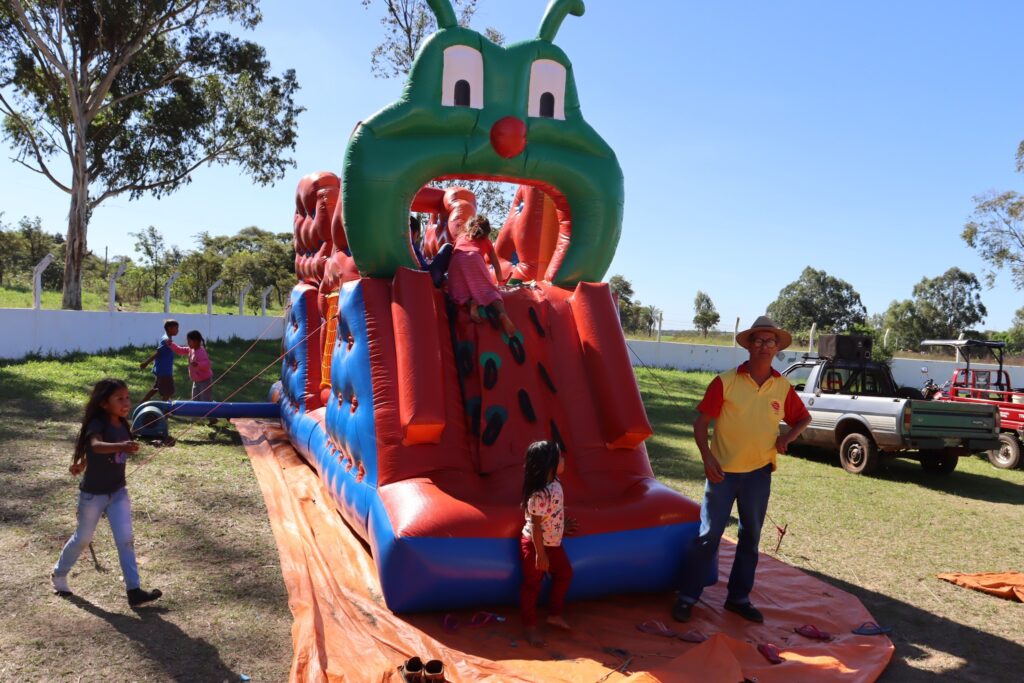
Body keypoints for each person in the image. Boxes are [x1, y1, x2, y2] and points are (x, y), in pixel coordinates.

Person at [673, 316, 811, 624]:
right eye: (758, 341)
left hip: (759, 474)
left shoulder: (782, 386)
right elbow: (700, 424)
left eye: (770, 342)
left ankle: (738, 598)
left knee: (750, 538)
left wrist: (786, 438)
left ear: (778, 348)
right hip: (722, 474)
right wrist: (707, 457)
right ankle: (687, 596)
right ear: (748, 345)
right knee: (708, 536)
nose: (764, 346)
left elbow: (803, 418)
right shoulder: (725, 381)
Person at [51, 378, 162, 606]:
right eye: (119, 399)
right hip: (93, 495)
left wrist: (83, 463)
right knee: (83, 538)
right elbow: (95, 446)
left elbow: (100, 453)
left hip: (118, 492)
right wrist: (118, 448)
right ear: (104, 403)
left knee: (126, 540)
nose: (126, 402)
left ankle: (134, 590)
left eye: (127, 397)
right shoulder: (97, 424)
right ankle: (59, 575)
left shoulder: (122, 424)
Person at [520, 440, 577, 647]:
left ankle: (554, 614)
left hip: (553, 543)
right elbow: (535, 526)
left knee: (565, 573)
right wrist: (540, 554)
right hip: (535, 546)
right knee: (532, 585)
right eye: (560, 457)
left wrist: (562, 526)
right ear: (550, 465)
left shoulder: (556, 484)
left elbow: (553, 513)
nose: (564, 460)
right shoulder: (538, 495)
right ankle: (530, 626)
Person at [446, 215, 517, 337]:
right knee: (490, 292)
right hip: (475, 259)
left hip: (456, 261)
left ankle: (470, 304)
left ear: (468, 226)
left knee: (459, 292)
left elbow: (453, 254)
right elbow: (495, 262)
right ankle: (502, 314)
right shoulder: (486, 241)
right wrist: (500, 280)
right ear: (486, 231)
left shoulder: (461, 237)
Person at [139, 319, 186, 403]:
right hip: (165, 371)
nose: (178, 330)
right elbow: (158, 353)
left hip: (161, 370)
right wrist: (146, 363)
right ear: (169, 328)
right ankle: (163, 410)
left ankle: (142, 403)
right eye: (176, 328)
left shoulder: (166, 338)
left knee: (156, 388)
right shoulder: (166, 340)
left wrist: (146, 363)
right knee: (167, 393)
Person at [184, 330, 218, 425]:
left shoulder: (201, 351)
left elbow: (207, 364)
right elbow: (180, 349)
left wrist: (198, 364)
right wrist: (171, 345)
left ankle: (213, 418)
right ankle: (194, 418)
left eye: (189, 341)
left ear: (196, 341)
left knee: (206, 400)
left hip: (205, 380)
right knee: (195, 399)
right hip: (196, 381)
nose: (188, 343)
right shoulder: (191, 349)